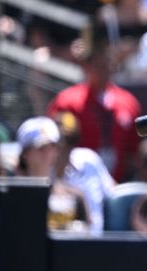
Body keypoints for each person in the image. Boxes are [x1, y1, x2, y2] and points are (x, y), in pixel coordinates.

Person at [47, 38, 142, 182]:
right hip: (77, 180)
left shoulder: (128, 102)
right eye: (97, 65)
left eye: (107, 64)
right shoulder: (68, 101)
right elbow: (55, 143)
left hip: (118, 181)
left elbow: (134, 150)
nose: (103, 70)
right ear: (86, 67)